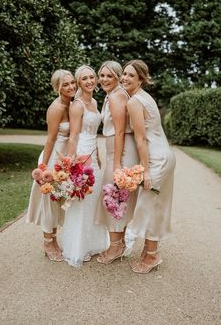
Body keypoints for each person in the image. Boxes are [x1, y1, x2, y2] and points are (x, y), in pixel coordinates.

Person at [122, 59, 176, 274]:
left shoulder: (134, 102)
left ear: (141, 79)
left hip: (156, 159)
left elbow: (141, 139)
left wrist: (144, 170)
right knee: (156, 205)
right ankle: (149, 251)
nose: (125, 78)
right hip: (165, 156)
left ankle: (152, 256)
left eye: (131, 76)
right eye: (124, 74)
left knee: (148, 206)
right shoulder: (145, 97)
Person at [60, 65, 109, 267]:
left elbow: (94, 133)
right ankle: (78, 246)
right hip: (81, 155)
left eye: (92, 77)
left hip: (93, 154)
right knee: (82, 200)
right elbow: (73, 136)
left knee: (94, 199)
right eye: (84, 79)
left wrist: (97, 156)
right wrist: (72, 164)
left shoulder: (95, 102)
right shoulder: (77, 105)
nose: (89, 81)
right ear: (79, 83)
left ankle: (93, 242)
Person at [26, 69, 76, 262]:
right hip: (52, 159)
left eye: (72, 82)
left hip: (65, 159)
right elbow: (50, 139)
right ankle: (48, 242)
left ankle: (54, 240)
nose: (71, 86)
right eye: (65, 84)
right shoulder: (55, 108)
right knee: (50, 202)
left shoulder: (71, 104)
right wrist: (44, 167)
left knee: (59, 201)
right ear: (57, 88)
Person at [95, 60, 139, 264]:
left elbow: (120, 131)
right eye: (101, 75)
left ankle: (115, 247)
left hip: (120, 153)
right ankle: (118, 244)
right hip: (116, 150)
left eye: (109, 76)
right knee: (119, 196)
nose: (104, 79)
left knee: (112, 194)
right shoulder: (113, 95)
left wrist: (116, 165)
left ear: (117, 77)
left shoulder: (117, 96)